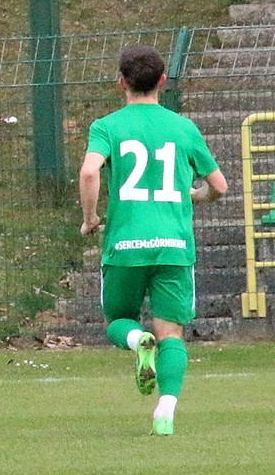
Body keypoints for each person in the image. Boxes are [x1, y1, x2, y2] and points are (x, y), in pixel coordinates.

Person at [78, 45, 227, 436]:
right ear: (163, 81)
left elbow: (90, 172)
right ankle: (165, 409)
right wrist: (196, 196)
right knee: (172, 333)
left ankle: (136, 340)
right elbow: (219, 186)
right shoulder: (183, 128)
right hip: (173, 247)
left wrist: (90, 219)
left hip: (125, 245)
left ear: (121, 83)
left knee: (117, 321)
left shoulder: (107, 126)